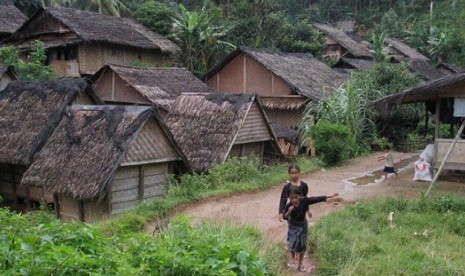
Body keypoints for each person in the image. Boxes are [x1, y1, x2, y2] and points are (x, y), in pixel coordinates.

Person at [283, 185, 339, 272]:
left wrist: (329, 196)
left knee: (302, 245)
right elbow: (285, 217)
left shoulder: (304, 201)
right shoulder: (288, 205)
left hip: (303, 226)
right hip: (293, 226)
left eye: (296, 197)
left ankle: (300, 263)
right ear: (289, 198)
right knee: (292, 244)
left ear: (300, 196)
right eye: (291, 198)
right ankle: (293, 259)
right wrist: (289, 211)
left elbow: (315, 199)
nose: (294, 200)